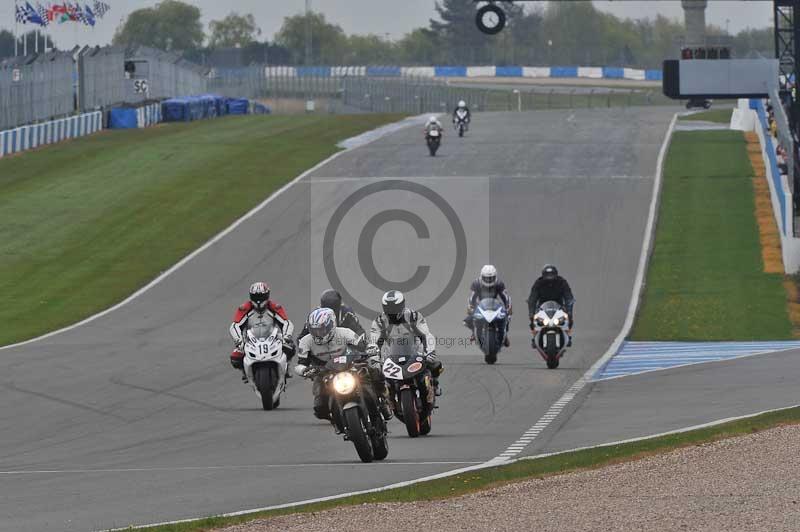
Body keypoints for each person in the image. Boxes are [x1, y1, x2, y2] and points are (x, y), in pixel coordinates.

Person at [294, 307, 392, 421]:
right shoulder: (305, 341)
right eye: (314, 330)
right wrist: (304, 370)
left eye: (322, 329)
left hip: (348, 365)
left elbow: (363, 345)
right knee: (320, 408)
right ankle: (337, 421)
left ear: (332, 325)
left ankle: (383, 399)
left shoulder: (345, 333)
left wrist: (369, 350)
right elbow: (301, 363)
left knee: (373, 372)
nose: (318, 333)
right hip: (324, 371)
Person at [368, 290, 443, 395]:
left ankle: (434, 384)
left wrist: (429, 352)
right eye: (388, 308)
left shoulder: (413, 316)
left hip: (415, 353)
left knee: (434, 365)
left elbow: (427, 335)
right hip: (391, 356)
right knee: (375, 375)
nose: (391, 311)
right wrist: (374, 357)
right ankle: (386, 401)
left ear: (402, 306)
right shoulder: (379, 322)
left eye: (394, 308)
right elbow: (373, 341)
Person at [229, 282, 295, 381]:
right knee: (235, 358)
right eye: (255, 297)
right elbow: (234, 325)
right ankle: (245, 371)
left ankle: (287, 366)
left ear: (267, 295)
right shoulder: (244, 308)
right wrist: (238, 340)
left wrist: (287, 336)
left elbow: (287, 323)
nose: (259, 301)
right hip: (250, 339)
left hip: (272, 337)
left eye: (261, 296)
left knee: (290, 346)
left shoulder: (275, 307)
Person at [527, 265, 575, 347]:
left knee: (568, 318)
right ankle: (535, 336)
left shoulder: (562, 282)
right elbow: (532, 298)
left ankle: (568, 335)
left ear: (556, 274)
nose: (550, 277)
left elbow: (568, 296)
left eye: (552, 275)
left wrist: (569, 310)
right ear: (543, 275)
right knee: (534, 320)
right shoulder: (538, 283)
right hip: (542, 307)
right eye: (547, 275)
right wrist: (531, 313)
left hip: (559, 306)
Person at [463, 265, 512, 346]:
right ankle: (474, 333)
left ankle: (505, 334)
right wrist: (471, 306)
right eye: (486, 277)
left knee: (506, 317)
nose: (489, 280)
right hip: (481, 305)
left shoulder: (499, 283)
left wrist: (508, 307)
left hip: (495, 305)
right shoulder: (476, 283)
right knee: (467, 321)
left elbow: (505, 297)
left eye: (491, 278)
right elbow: (472, 297)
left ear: (495, 276)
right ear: (482, 276)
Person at [296, 289, 366, 343]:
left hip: (342, 348)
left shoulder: (347, 313)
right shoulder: (314, 316)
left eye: (332, 310)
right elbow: (302, 338)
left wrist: (361, 343)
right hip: (321, 350)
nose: (329, 314)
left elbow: (358, 331)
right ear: (321, 306)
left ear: (339, 306)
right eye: (325, 309)